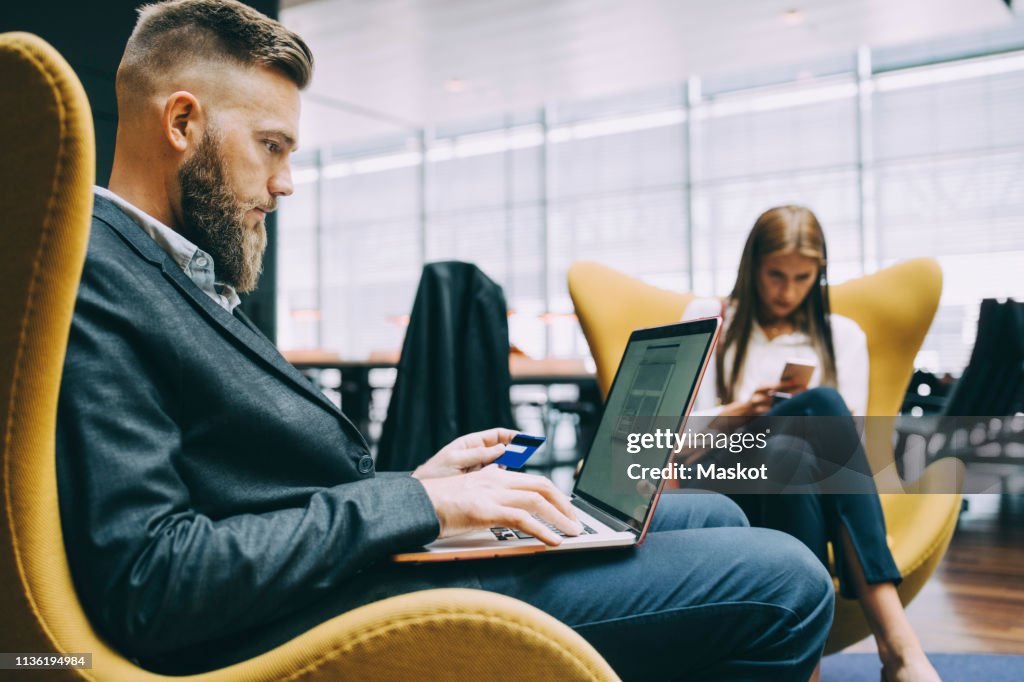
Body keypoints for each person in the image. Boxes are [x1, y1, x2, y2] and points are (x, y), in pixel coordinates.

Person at [55, 2, 835, 679]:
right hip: (318, 622)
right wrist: (418, 503)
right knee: (788, 581)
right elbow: (151, 581)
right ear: (183, 122)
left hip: (339, 576)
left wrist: (421, 488)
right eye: (272, 145)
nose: (286, 182)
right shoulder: (97, 277)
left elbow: (244, 488)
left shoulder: (174, 271)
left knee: (718, 518)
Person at [682, 205, 940, 682]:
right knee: (819, 403)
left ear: (820, 273)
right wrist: (740, 412)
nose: (787, 291)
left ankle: (806, 668)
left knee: (795, 454)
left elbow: (849, 448)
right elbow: (674, 443)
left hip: (791, 476)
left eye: (803, 277)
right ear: (752, 266)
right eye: (775, 275)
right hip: (720, 478)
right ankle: (899, 647)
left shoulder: (842, 336)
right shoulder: (708, 316)